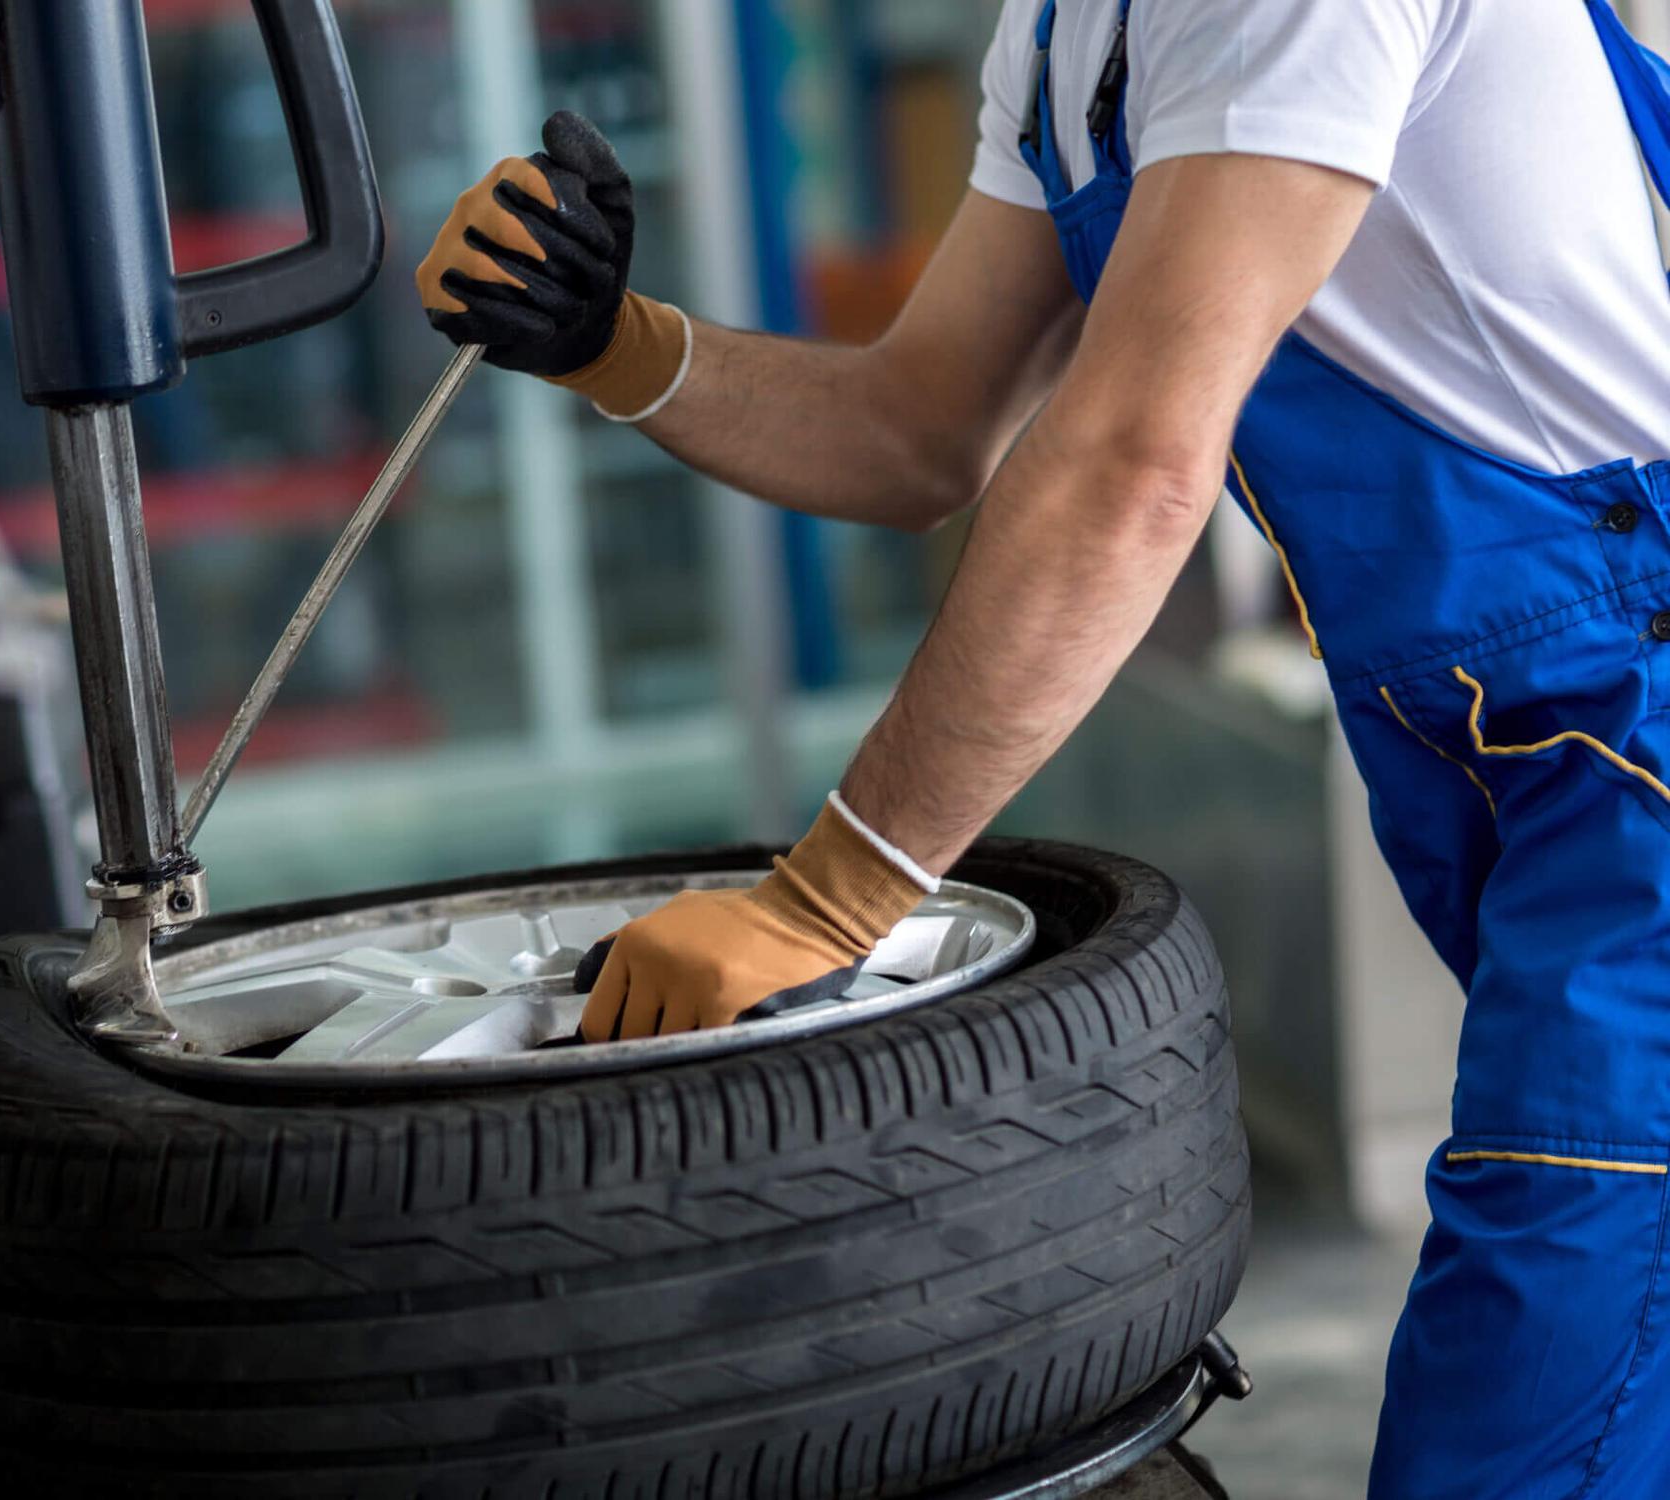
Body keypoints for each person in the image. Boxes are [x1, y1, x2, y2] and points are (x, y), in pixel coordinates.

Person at [415, 1, 1670, 1494]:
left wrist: (826, 901)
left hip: (1631, 737)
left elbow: (1138, 459)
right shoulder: (1068, 34)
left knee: (1525, 1401)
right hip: (1504, 757)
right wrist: (615, 345)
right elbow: (918, 429)